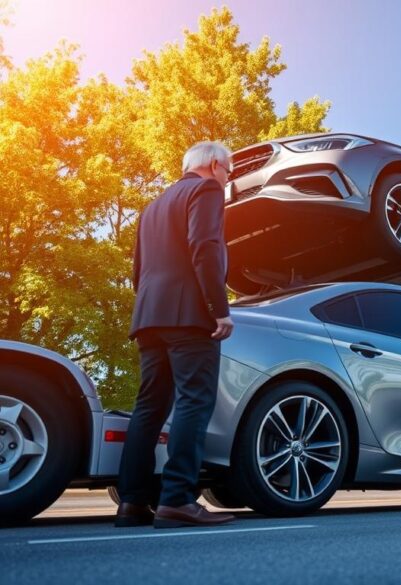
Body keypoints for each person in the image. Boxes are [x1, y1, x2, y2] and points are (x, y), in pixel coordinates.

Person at [115, 141, 237, 529]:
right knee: (194, 402)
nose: (228, 178)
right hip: (188, 316)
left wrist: (151, 309)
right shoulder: (207, 190)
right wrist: (220, 310)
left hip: (150, 316)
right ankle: (178, 500)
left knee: (149, 408)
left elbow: (138, 270)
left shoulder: (151, 207)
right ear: (215, 165)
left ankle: (132, 503)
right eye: (229, 170)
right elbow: (204, 248)